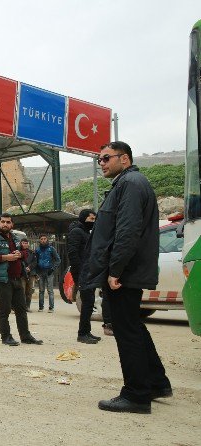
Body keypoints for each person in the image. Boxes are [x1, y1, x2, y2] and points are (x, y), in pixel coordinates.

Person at [83, 141, 171, 414]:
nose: (102, 164)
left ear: (125, 158)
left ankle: (136, 395)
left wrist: (115, 270)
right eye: (99, 160)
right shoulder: (128, 183)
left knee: (126, 331)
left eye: (106, 158)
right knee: (134, 327)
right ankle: (156, 383)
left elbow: (127, 231)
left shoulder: (130, 184)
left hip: (124, 273)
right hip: (128, 271)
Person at [0, 213, 43, 346]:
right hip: (1, 280)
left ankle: (26, 336)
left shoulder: (16, 238)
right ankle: (6, 337)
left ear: (12, 224)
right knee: (4, 309)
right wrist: (6, 257)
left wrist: (20, 254)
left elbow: (25, 253)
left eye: (8, 222)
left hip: (17, 278)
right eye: (3, 222)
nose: (5, 224)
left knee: (21, 309)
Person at [67, 209, 102, 344]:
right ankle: (82, 334)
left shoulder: (86, 232)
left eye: (94, 219)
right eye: (91, 219)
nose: (93, 222)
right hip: (82, 274)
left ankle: (86, 331)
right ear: (84, 218)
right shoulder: (76, 232)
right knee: (87, 303)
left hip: (88, 272)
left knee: (89, 303)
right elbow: (73, 254)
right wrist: (80, 274)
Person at [34, 234, 60, 312]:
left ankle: (51, 307)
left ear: (47, 240)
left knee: (50, 290)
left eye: (44, 239)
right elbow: (35, 261)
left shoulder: (51, 249)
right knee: (41, 290)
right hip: (40, 272)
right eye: (41, 239)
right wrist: (36, 271)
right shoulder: (37, 250)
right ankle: (41, 307)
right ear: (39, 240)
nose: (43, 240)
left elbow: (58, 260)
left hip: (49, 272)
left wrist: (52, 269)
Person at [19, 238, 36, 312]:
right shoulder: (18, 252)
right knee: (22, 290)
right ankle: (21, 307)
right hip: (22, 274)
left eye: (26, 243)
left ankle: (27, 306)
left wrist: (29, 267)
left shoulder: (32, 252)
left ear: (28, 244)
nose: (25, 244)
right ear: (21, 244)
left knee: (29, 291)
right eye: (23, 243)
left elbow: (35, 262)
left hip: (30, 274)